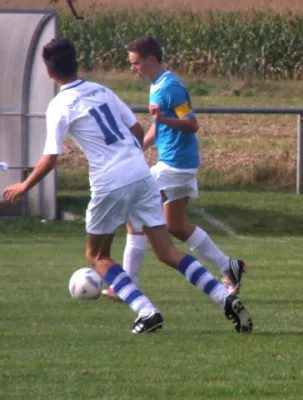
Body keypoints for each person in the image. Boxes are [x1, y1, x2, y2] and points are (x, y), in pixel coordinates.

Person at [2, 38, 252, 334]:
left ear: (49, 72)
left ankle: (146, 311)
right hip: (141, 172)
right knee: (167, 250)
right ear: (76, 64)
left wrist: (25, 185)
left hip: (110, 180)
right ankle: (224, 298)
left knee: (96, 256)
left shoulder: (59, 105)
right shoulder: (101, 90)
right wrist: (129, 156)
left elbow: (51, 157)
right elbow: (136, 128)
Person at [102, 36, 245, 301]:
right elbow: (160, 126)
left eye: (136, 63)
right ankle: (229, 266)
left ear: (151, 59)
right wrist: (139, 148)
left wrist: (163, 118)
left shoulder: (171, 87)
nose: (133, 68)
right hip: (180, 165)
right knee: (176, 225)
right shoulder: (158, 85)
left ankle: (127, 286)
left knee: (135, 219)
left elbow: (191, 123)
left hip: (174, 165)